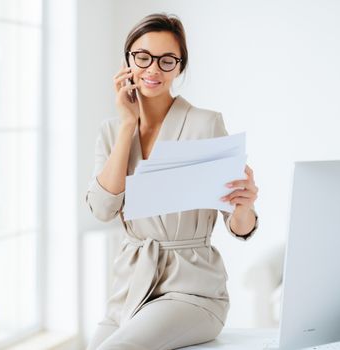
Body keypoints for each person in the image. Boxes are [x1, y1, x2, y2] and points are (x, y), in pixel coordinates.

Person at [85, 13, 259, 350]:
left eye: (167, 60)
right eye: (143, 57)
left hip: (193, 291)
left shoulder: (206, 124)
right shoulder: (111, 130)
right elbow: (103, 209)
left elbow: (238, 226)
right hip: (130, 290)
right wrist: (126, 126)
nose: (153, 70)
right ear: (128, 62)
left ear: (179, 68)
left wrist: (245, 206)